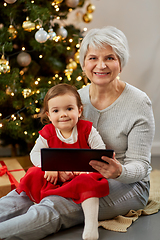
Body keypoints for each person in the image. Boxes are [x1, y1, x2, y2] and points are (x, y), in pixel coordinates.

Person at [0, 26, 155, 240]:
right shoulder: (74, 101)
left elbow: (142, 165)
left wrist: (119, 171)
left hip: (127, 183)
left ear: (120, 62)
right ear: (84, 63)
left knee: (55, 204)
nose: (101, 65)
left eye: (110, 57)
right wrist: (58, 168)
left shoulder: (139, 103)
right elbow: (55, 143)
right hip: (77, 175)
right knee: (24, 194)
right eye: (93, 58)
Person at [0, 83, 109, 240]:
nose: (63, 114)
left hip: (80, 176)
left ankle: (91, 224)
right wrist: (48, 167)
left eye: (69, 109)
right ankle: (28, 203)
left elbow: (100, 153)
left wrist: (84, 170)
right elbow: (35, 154)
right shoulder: (48, 133)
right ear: (49, 115)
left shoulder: (87, 130)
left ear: (79, 110)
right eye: (56, 111)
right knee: (35, 173)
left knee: (90, 181)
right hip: (55, 176)